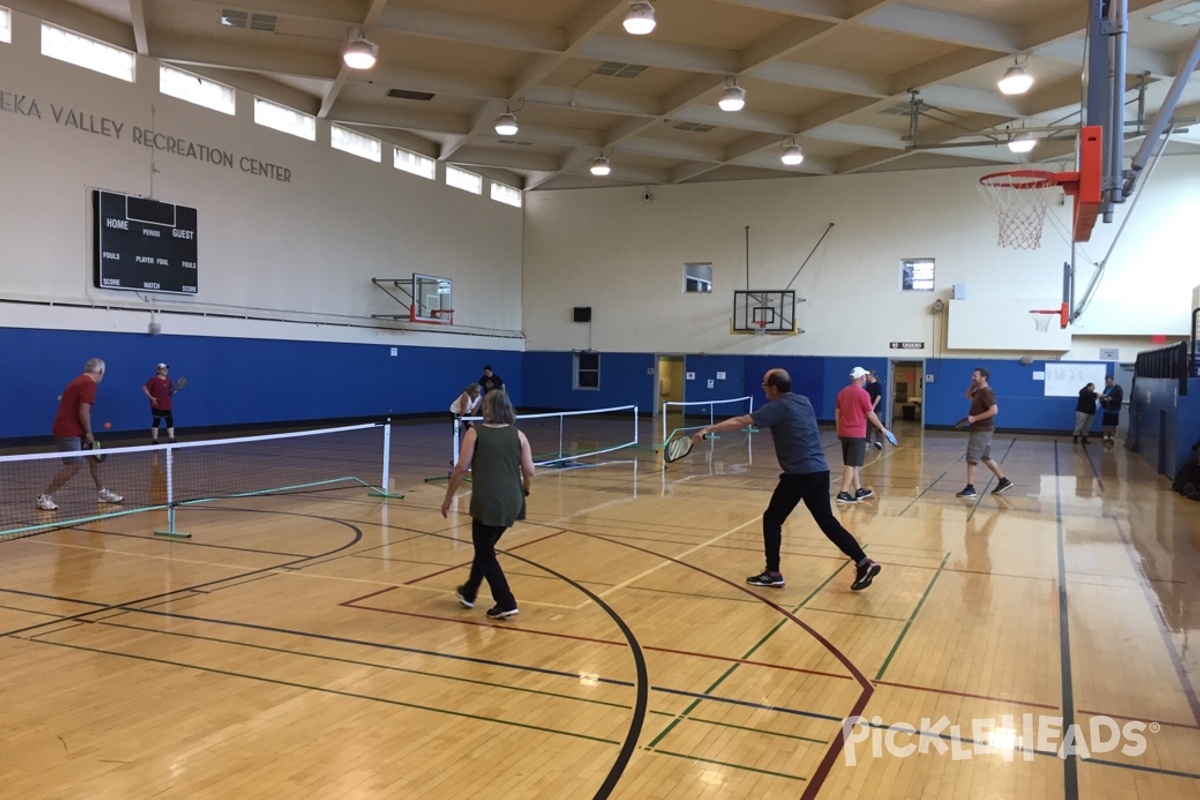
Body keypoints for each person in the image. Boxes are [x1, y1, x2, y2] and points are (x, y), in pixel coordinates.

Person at [693, 368, 882, 592]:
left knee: (772, 519)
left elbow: (741, 421)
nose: (763, 388)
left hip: (799, 474)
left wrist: (708, 429)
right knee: (827, 521)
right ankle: (863, 562)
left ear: (774, 388)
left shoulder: (778, 407)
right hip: (820, 471)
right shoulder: (803, 401)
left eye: (764, 385)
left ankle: (773, 573)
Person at [441, 390, 535, 620]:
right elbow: (530, 470)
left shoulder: (474, 433)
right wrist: (525, 489)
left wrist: (448, 497)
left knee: (484, 550)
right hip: (513, 500)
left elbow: (461, 468)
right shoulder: (519, 435)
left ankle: (506, 601)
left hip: (488, 501)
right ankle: (470, 591)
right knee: (484, 547)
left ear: (489, 408)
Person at [36, 358, 124, 511]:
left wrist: (85, 432)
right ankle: (45, 497)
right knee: (74, 464)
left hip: (75, 428)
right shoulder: (88, 384)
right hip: (67, 430)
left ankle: (102, 492)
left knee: (94, 458)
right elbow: (83, 411)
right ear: (101, 371)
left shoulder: (79, 381)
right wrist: (88, 433)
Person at [835, 367, 892, 503]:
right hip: (856, 434)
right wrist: (881, 428)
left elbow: (837, 413)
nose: (866, 378)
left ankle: (859, 490)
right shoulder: (863, 394)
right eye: (865, 376)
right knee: (851, 464)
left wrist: (838, 429)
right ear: (861, 378)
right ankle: (843, 493)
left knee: (853, 463)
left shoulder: (842, 393)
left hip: (844, 433)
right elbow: (870, 413)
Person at [956, 367, 1014, 498]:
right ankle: (1004, 481)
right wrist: (973, 383)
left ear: (984, 378)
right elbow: (968, 396)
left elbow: (994, 410)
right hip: (982, 429)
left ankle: (970, 488)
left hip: (982, 430)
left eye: (975, 376)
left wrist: (974, 418)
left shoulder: (987, 392)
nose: (972, 377)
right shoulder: (980, 391)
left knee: (972, 458)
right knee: (984, 456)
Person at [142, 362, 177, 444]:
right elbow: (144, 388)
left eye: (166, 369)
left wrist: (172, 392)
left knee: (170, 421)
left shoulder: (168, 380)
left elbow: (168, 392)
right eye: (163, 369)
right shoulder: (153, 380)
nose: (165, 370)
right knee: (156, 421)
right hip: (156, 405)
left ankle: (172, 439)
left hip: (167, 405)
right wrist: (151, 398)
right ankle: (155, 440)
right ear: (158, 370)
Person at [448, 383, 482, 461]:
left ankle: (474, 453)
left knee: (472, 429)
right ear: (471, 391)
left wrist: (471, 420)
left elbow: (474, 410)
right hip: (455, 412)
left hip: (467, 412)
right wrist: (459, 421)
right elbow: (462, 410)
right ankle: (456, 457)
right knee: (457, 432)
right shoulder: (465, 396)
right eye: (476, 392)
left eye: (479, 392)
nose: (478, 394)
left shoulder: (479, 398)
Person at [1099, 375, 1123, 444]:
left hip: (1114, 410)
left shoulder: (1118, 388)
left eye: (1109, 381)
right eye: (1107, 382)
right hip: (1107, 409)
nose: (1108, 383)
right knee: (1105, 424)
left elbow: (1119, 398)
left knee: (1113, 424)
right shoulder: (1106, 388)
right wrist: (1102, 399)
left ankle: (1112, 438)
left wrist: (1111, 399)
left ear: (1112, 380)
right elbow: (1104, 395)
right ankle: (1105, 437)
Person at [864, 370, 884, 450]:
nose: (866, 377)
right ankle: (867, 441)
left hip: (876, 409)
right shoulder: (868, 386)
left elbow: (879, 396)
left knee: (877, 424)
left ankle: (878, 441)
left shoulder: (878, 385)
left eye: (867, 375)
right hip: (868, 409)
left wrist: (873, 405)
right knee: (867, 425)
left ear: (871, 375)